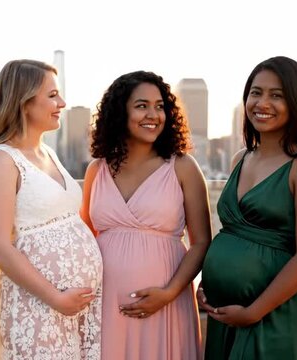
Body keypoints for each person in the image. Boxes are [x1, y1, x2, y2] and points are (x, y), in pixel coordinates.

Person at [198, 56, 297, 359]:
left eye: (277, 95)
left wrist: (252, 312)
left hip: (272, 314)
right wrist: (211, 285)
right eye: (256, 92)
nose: (262, 103)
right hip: (226, 313)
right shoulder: (241, 158)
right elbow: (233, 235)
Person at [80, 70, 210, 359]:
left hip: (167, 304)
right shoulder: (96, 170)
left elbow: (201, 242)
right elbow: (84, 240)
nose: (153, 114)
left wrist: (169, 292)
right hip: (105, 307)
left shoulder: (182, 167)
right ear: (119, 112)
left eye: (160, 106)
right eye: (141, 106)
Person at [0, 59, 103, 359]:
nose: (61, 103)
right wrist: (56, 298)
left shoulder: (47, 152)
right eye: (52, 95)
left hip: (74, 309)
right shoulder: (1, 160)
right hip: (36, 305)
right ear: (24, 102)